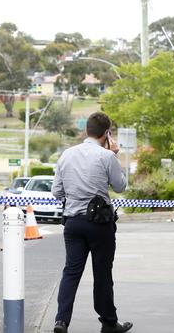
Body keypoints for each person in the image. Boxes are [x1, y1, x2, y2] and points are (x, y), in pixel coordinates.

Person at [51, 112, 133, 333]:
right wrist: (114, 156)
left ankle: (61, 321)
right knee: (102, 274)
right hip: (99, 225)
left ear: (87, 130)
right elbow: (120, 187)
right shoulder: (106, 157)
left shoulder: (66, 155)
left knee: (71, 272)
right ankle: (108, 323)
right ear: (106, 133)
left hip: (73, 224)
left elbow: (56, 191)